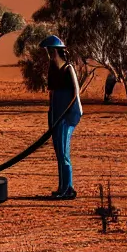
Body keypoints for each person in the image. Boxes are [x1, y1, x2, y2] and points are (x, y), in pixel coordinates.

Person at [39, 35, 83, 200]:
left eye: (51, 51)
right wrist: (51, 116)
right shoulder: (53, 69)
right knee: (58, 151)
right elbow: (51, 94)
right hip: (56, 115)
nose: (49, 55)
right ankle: (62, 187)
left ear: (57, 51)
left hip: (67, 116)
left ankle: (68, 189)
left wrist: (64, 113)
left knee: (64, 152)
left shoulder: (68, 68)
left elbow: (75, 93)